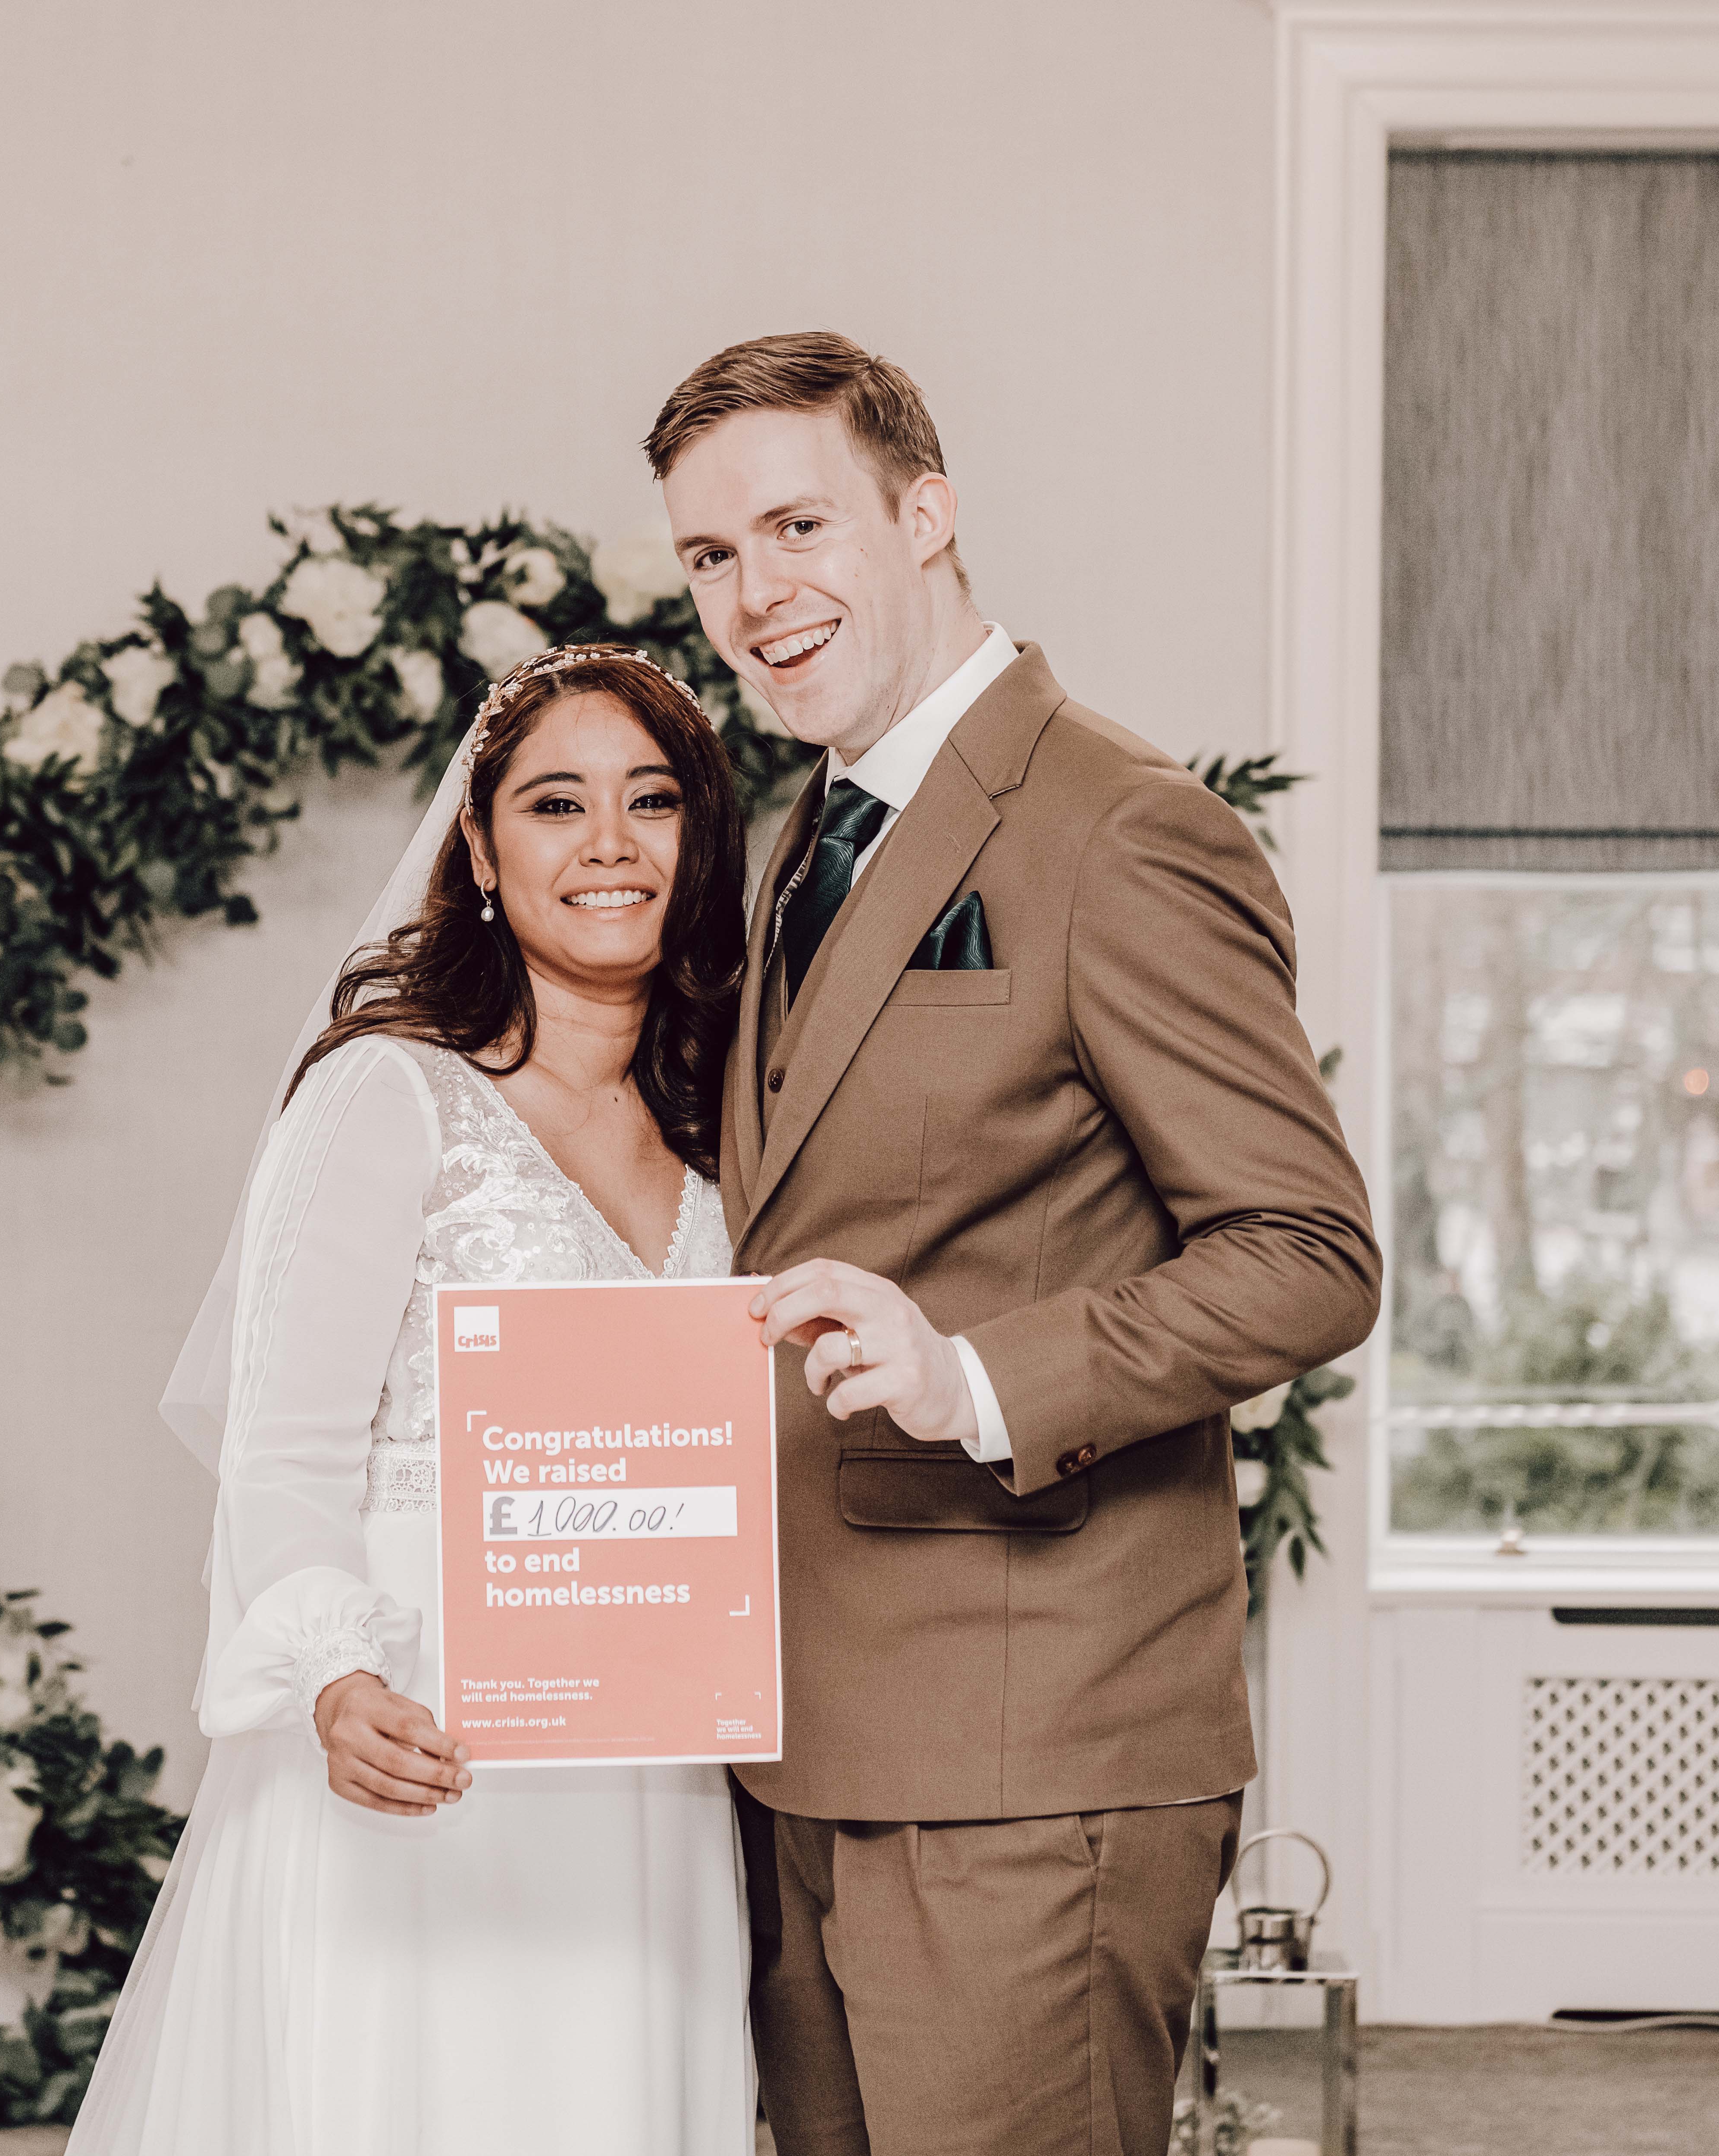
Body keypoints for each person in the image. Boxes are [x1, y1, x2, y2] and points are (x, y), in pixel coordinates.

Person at [648, 331, 1383, 2156]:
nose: (755, 595)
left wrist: (978, 1371)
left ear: (928, 509)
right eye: (710, 558)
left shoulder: (1123, 827)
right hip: (804, 1730)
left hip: (1032, 1752)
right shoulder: (787, 834)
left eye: (796, 524)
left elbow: (1308, 1245)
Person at [70, 645, 756, 2156]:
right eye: (557, 804)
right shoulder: (388, 1096)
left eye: (654, 804)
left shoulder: (732, 1127)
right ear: (481, 847)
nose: (611, 847)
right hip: (423, 1728)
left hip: (650, 1754)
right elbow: (283, 1441)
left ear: (702, 845)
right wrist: (334, 1681)